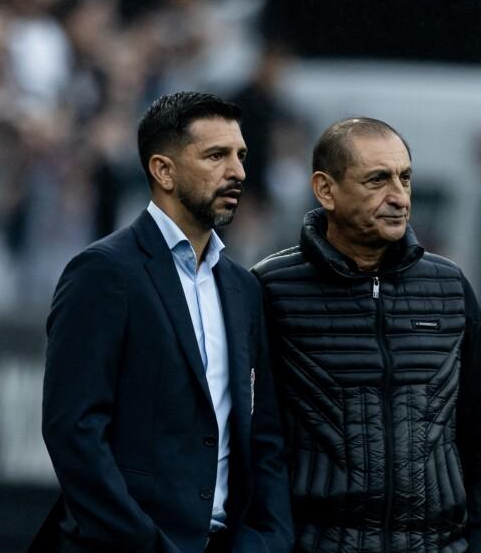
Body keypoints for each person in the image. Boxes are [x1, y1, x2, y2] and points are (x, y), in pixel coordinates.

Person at [29, 92, 292, 553]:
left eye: (241, 155)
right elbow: (74, 433)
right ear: (163, 170)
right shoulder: (104, 272)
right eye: (216, 155)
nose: (238, 172)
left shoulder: (244, 289)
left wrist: (268, 540)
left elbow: (263, 436)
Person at [252, 118, 481, 552]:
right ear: (325, 190)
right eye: (377, 180)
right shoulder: (271, 290)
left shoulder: (449, 288)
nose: (398, 196)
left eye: (404, 178)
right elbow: (255, 443)